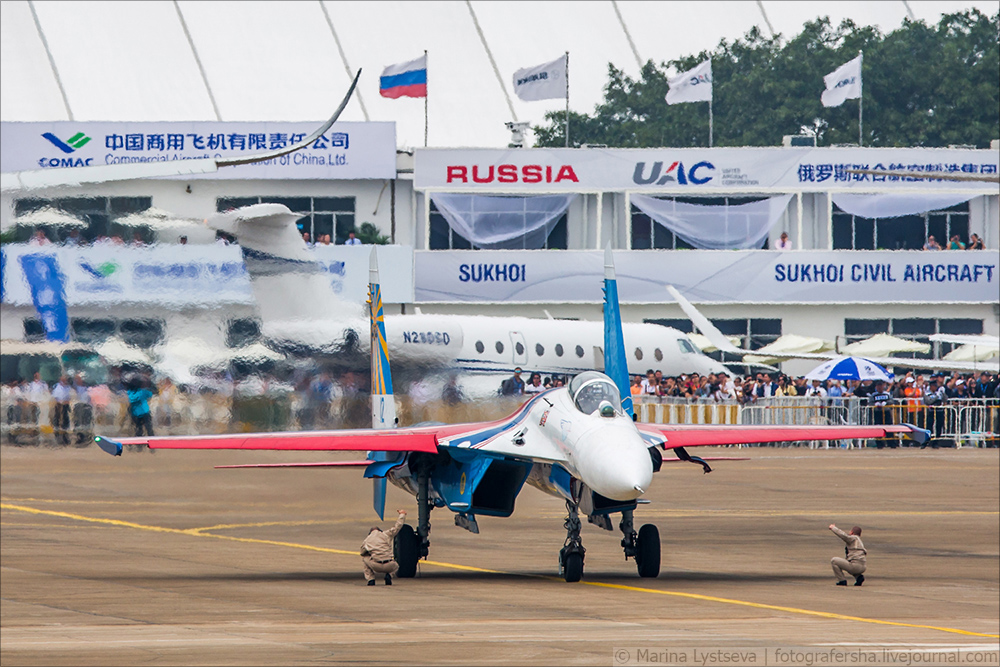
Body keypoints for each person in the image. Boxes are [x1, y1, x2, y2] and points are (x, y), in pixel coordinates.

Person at [360, 509, 408, 585]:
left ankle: (371, 579)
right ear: (380, 531)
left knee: (365, 559)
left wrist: (370, 552)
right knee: (396, 565)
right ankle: (389, 575)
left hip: (376, 566)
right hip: (389, 565)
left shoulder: (367, 540)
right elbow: (398, 526)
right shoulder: (386, 534)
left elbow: (362, 553)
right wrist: (402, 515)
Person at [51, 375, 72, 445]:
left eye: (65, 380)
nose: (65, 381)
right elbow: (54, 397)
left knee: (66, 421)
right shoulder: (57, 387)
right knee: (57, 420)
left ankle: (65, 437)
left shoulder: (68, 388)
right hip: (58, 405)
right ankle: (57, 437)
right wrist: (60, 401)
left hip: (65, 406)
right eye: (63, 379)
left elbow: (70, 396)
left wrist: (67, 401)